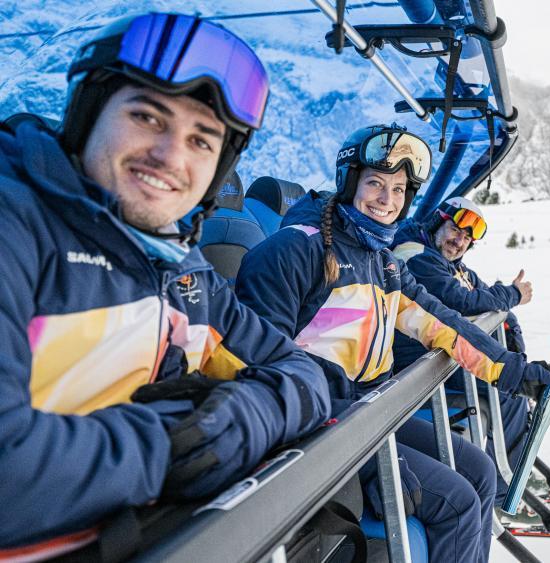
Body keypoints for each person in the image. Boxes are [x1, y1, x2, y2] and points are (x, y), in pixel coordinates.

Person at [0, 13, 331, 555]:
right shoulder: (17, 224)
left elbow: (305, 375)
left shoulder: (182, 270)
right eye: (148, 117)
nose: (171, 155)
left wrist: (247, 416)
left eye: (202, 141)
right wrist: (172, 445)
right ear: (87, 115)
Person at [234, 124, 550, 563]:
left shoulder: (384, 263)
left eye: (398, 190)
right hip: (319, 428)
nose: (386, 200)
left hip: (370, 413)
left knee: (481, 471)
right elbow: (261, 371)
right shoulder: (295, 251)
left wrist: (515, 372)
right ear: (349, 182)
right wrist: (367, 459)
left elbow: (443, 322)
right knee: (458, 502)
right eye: (375, 183)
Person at [392, 197, 550, 503]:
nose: (459, 241)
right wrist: (512, 294)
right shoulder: (416, 257)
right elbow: (462, 302)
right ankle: (506, 490)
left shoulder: (450, 265)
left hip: (441, 360)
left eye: (467, 238)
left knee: (512, 392)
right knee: (507, 396)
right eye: (455, 230)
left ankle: (515, 471)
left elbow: (485, 295)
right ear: (438, 222)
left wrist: (504, 301)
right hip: (419, 368)